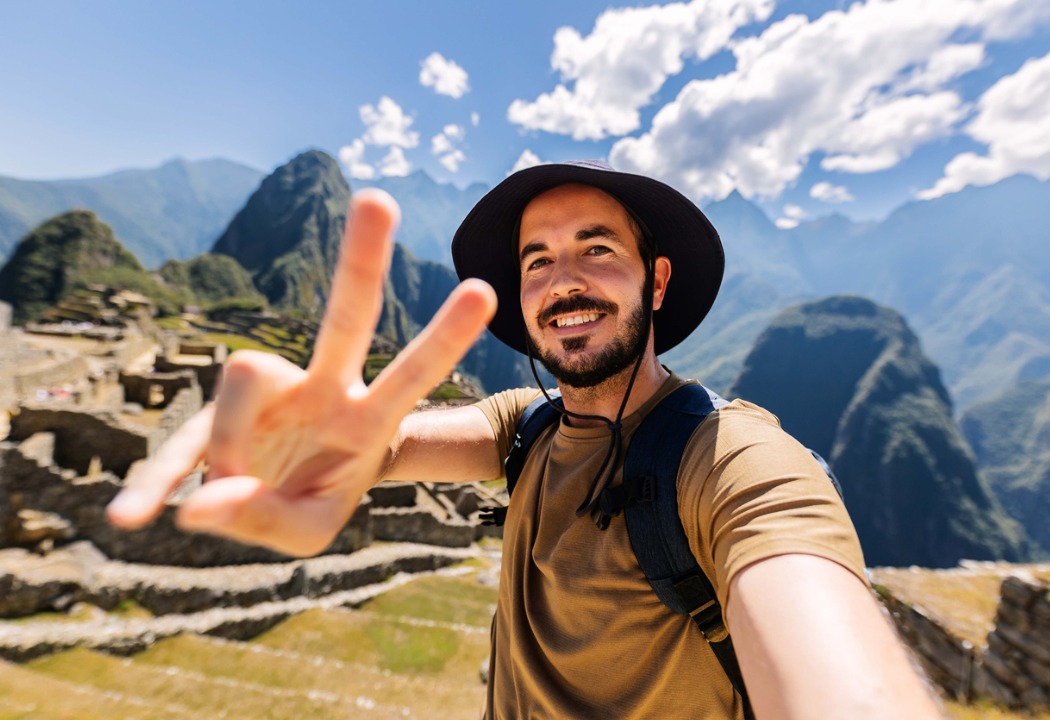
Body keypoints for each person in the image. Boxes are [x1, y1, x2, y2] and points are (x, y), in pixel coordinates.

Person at [107, 161, 942, 719]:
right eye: (536, 261)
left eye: (597, 249)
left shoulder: (734, 462)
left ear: (656, 280)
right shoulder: (529, 425)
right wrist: (338, 452)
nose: (562, 280)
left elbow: (839, 677)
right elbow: (392, 448)